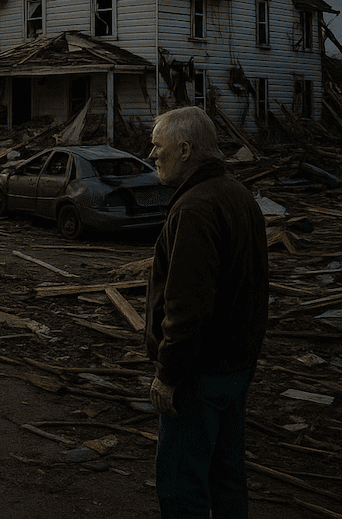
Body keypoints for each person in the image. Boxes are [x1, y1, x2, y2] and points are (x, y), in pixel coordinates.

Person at [145, 106, 268, 518]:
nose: (152, 154)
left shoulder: (195, 208)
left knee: (183, 484)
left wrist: (168, 375)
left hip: (199, 374)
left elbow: (187, 306)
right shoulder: (238, 195)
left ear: (184, 150)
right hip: (236, 366)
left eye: (158, 146)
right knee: (227, 475)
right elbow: (255, 287)